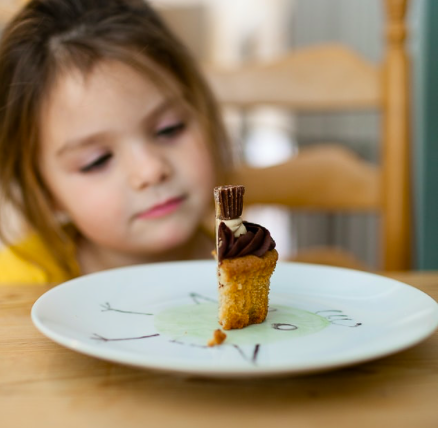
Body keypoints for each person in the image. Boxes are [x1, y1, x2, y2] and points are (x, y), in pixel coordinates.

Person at [0, 0, 231, 284]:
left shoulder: (248, 265)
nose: (150, 170)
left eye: (169, 130)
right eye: (97, 161)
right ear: (45, 192)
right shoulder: (11, 289)